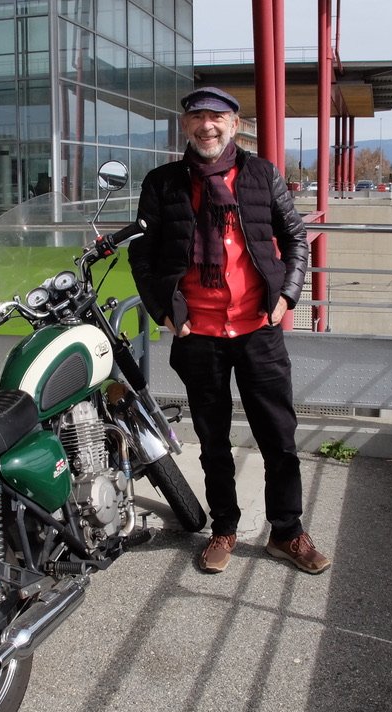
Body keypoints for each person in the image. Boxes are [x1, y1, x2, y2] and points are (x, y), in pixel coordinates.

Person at [128, 86, 331, 576]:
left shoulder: (262, 174)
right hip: (197, 334)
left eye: (217, 117)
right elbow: (142, 253)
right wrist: (164, 312)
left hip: (257, 327)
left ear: (235, 124)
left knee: (278, 437)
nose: (207, 126)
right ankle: (224, 527)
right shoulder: (163, 183)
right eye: (197, 117)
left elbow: (294, 236)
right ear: (185, 126)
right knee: (212, 439)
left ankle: (287, 532)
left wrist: (287, 296)